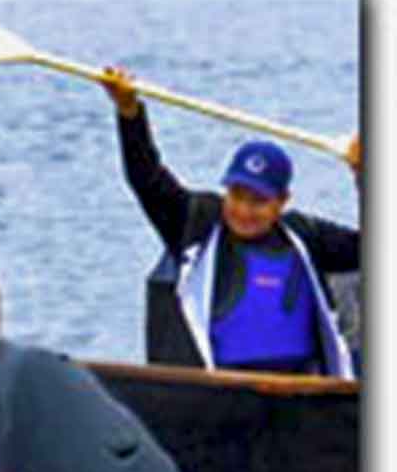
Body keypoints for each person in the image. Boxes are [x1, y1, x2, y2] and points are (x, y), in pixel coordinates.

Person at [101, 67, 360, 378]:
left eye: (258, 201)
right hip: (222, 395)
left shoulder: (305, 236)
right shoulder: (198, 224)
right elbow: (146, 178)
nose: (244, 210)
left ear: (282, 202)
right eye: (237, 195)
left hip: (302, 393)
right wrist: (130, 113)